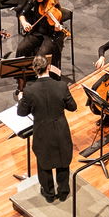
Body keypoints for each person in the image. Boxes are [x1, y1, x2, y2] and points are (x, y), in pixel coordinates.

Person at [19, 65, 78, 202]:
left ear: (35, 69)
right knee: (63, 159)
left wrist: (21, 98)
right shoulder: (61, 86)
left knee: (43, 161)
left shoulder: (29, 91)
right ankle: (63, 192)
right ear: (48, 68)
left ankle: (49, 194)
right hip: (60, 129)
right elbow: (73, 107)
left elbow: (21, 112)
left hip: (42, 131)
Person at [15, 0, 72, 76]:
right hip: (38, 32)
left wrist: (56, 29)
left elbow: (55, 27)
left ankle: (40, 78)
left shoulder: (54, 5)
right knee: (21, 48)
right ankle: (22, 76)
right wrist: (24, 23)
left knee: (40, 57)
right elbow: (22, 13)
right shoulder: (34, 0)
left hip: (51, 35)